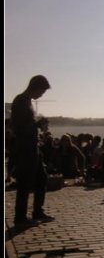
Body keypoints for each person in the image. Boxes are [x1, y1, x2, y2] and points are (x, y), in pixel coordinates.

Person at [10, 74, 54, 227]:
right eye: (41, 92)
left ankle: (37, 211)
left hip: (33, 146)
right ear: (35, 87)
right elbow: (20, 128)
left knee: (41, 178)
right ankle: (20, 217)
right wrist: (38, 123)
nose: (41, 95)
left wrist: (38, 124)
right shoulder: (21, 101)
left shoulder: (27, 101)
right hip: (26, 147)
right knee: (25, 182)